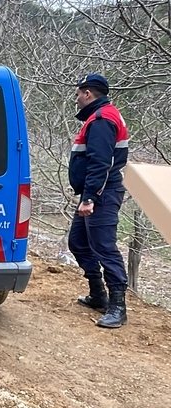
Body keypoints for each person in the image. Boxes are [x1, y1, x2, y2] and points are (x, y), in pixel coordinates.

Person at [68, 73, 130, 329]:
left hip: (102, 194)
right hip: (95, 193)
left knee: (104, 247)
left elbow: (101, 163)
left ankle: (118, 307)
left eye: (78, 94)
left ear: (88, 94)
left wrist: (90, 197)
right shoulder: (100, 116)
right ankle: (98, 294)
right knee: (78, 242)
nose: (77, 99)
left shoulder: (103, 119)